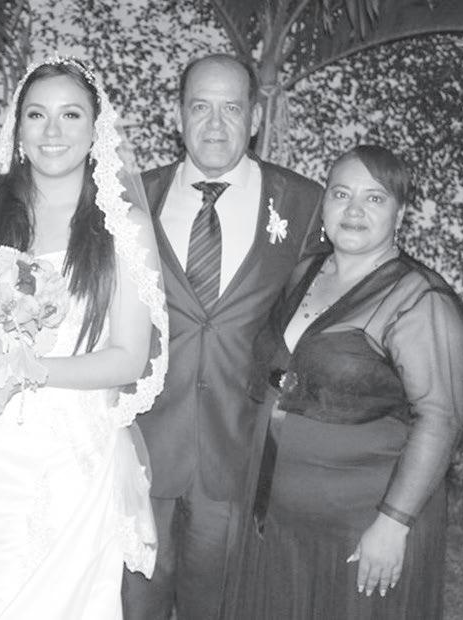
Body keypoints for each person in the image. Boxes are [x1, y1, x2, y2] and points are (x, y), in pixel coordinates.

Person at [0, 56, 168, 619]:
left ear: (95, 130)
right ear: (18, 127)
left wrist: (27, 369)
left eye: (70, 115)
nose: (52, 131)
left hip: (68, 448)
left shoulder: (124, 227)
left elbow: (128, 359)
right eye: (37, 114)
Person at [122, 54, 324, 619]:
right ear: (178, 116)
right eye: (200, 107)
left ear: (255, 118)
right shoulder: (130, 198)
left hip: (240, 458)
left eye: (231, 108)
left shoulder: (305, 204)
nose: (215, 124)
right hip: (140, 454)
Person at [233, 145, 463, 619]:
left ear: (400, 214)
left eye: (374, 198)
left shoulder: (421, 299)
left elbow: (440, 419)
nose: (354, 210)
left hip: (362, 525)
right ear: (324, 205)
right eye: (341, 194)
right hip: (281, 518)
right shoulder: (305, 271)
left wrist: (393, 523)